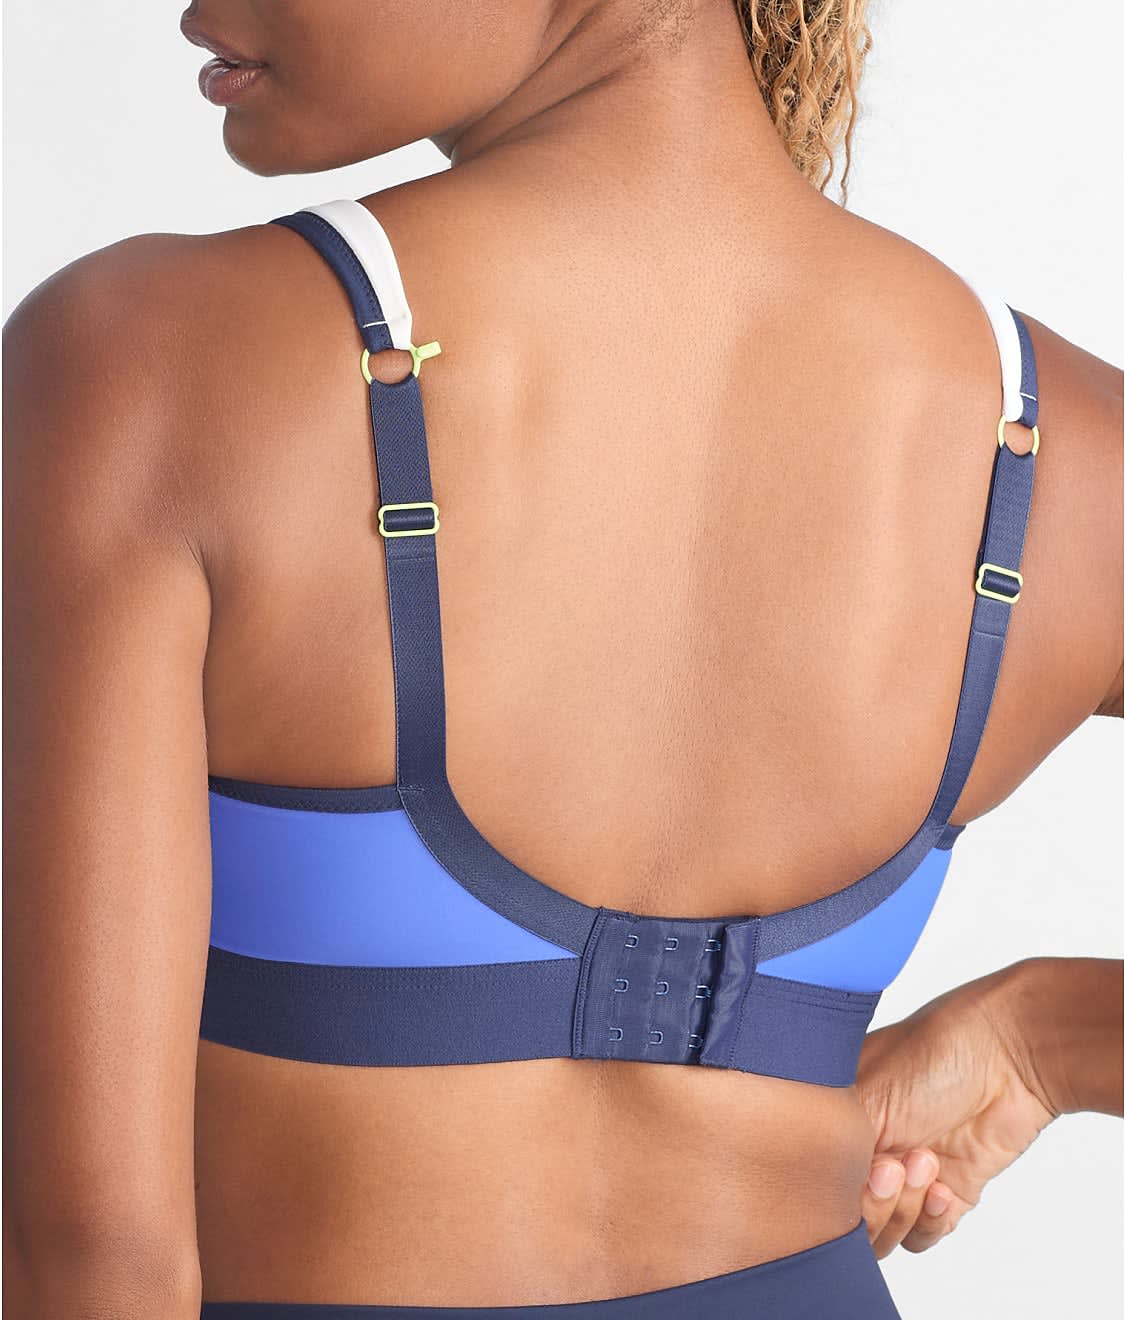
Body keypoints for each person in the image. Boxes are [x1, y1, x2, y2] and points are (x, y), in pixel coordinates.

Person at [4, 0, 1121, 1316]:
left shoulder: (152, 360)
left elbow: (94, 1255)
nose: (197, 9)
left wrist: (1046, 1038)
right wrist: (1046, 1037)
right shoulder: (1071, 454)